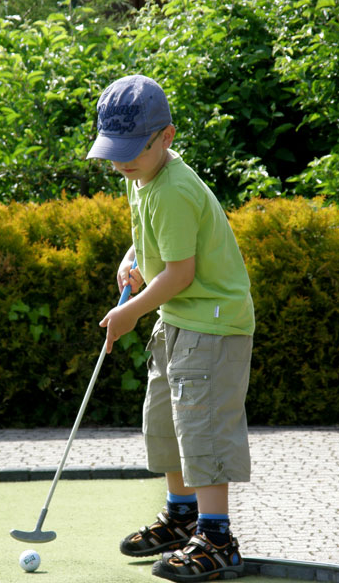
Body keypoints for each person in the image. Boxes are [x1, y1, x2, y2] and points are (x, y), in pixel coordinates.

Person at [87, 74, 255, 582]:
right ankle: (181, 517)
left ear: (167, 137)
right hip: (179, 319)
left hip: (213, 323)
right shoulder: (141, 177)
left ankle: (217, 537)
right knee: (167, 422)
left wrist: (131, 309)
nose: (121, 161)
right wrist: (133, 257)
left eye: (132, 149)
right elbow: (156, 244)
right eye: (113, 151)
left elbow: (180, 274)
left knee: (202, 427)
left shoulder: (174, 189)